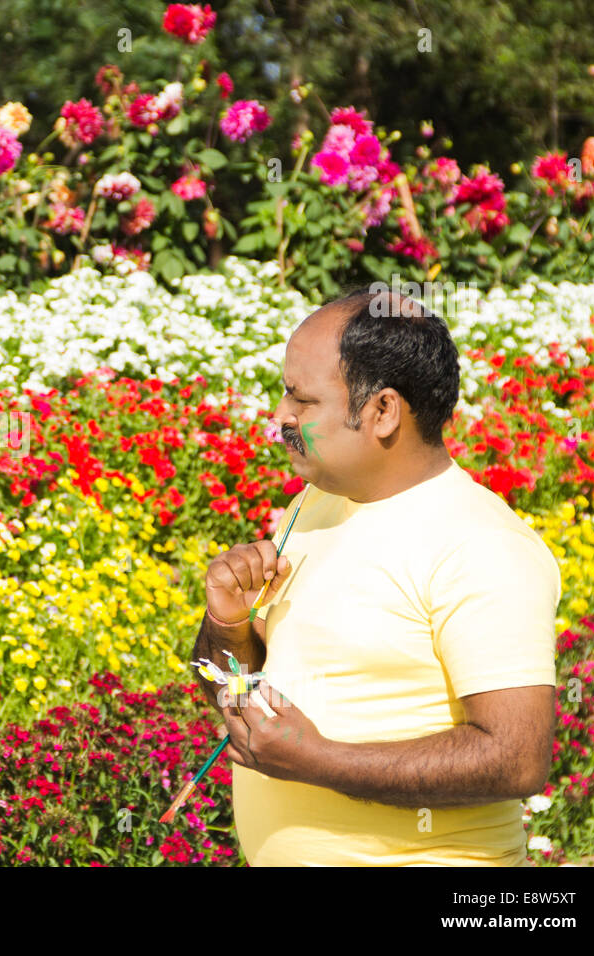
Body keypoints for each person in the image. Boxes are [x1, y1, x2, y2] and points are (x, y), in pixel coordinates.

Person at [191, 284, 560, 865]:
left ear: (382, 411)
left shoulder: (481, 546)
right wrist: (226, 621)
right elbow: (240, 691)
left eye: (300, 400)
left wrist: (317, 762)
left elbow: (516, 757)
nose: (279, 418)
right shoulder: (312, 505)